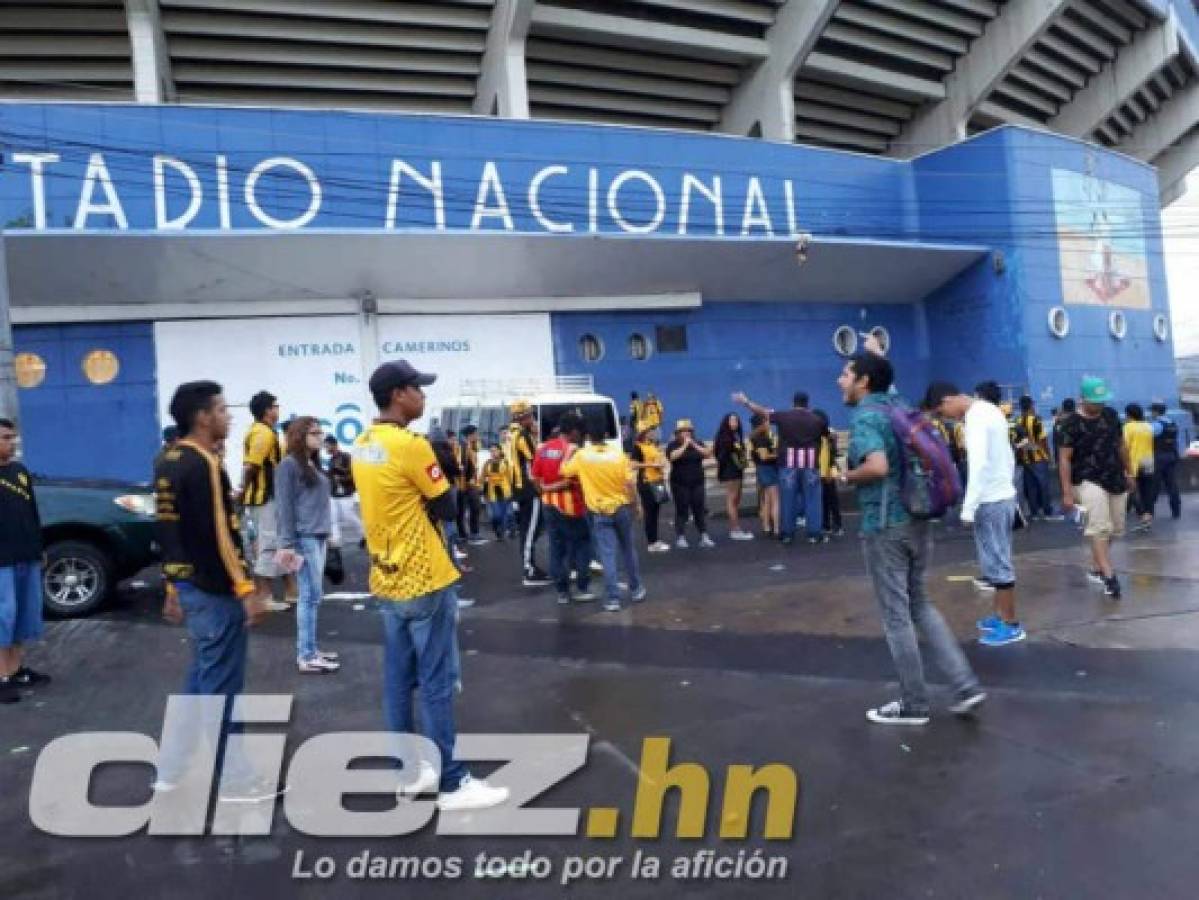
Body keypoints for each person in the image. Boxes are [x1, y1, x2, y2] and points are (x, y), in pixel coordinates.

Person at [352, 360, 509, 811]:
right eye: (417, 389)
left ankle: (411, 771)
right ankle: (452, 782)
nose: (423, 396)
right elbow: (446, 505)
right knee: (437, 681)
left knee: (399, 682)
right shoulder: (411, 445)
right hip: (425, 575)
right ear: (399, 395)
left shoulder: (364, 444)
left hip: (387, 578)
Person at [836, 354, 985, 725]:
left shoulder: (867, 417)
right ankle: (965, 685)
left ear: (864, 381)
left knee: (896, 615)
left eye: (846, 374)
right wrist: (877, 353)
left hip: (885, 525)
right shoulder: (898, 406)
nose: (840, 380)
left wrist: (845, 476)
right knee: (920, 604)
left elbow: (877, 466)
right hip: (918, 518)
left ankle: (913, 702)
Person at [153, 381, 281, 801]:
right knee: (221, 689)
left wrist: (172, 586)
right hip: (214, 589)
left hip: (190, 585)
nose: (229, 416)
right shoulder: (202, 462)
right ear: (202, 417)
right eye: (223, 409)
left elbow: (170, 530)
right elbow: (220, 534)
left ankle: (170, 769)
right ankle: (235, 780)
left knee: (201, 680)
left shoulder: (167, 458)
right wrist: (246, 588)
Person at [926, 382, 1025, 646]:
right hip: (999, 494)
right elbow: (1007, 456)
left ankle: (1011, 624)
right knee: (994, 561)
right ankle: (1000, 615)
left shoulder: (976, 419)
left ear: (948, 400)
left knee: (998, 562)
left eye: (942, 412)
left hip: (991, 499)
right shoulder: (989, 411)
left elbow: (978, 465)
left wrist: (968, 508)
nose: (947, 418)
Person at [1057, 376, 1135, 600]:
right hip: (1087, 479)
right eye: (1095, 402)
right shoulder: (1069, 424)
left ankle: (1097, 564)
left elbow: (1121, 445)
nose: (1099, 405)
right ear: (1082, 400)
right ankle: (1109, 576)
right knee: (1099, 526)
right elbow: (1064, 459)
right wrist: (1066, 491)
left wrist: (1129, 472)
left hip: (1115, 476)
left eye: (1102, 401)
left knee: (1115, 528)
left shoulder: (1110, 416)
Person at [275, 417, 340, 674]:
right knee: (309, 597)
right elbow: (284, 506)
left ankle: (311, 649)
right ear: (300, 435)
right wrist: (287, 543)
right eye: (314, 433)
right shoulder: (288, 466)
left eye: (321, 432)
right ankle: (307, 654)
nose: (320, 436)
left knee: (312, 596)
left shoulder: (313, 463)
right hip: (304, 538)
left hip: (316, 536)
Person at [562, 426, 646, 612]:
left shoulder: (582, 456)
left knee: (608, 555)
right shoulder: (618, 455)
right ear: (606, 435)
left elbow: (564, 471)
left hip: (599, 510)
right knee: (628, 549)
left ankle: (613, 598)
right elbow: (630, 483)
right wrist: (637, 505)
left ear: (589, 436)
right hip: (621, 507)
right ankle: (636, 589)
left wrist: (569, 452)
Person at [733, 390, 824, 545]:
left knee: (787, 499)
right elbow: (824, 437)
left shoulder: (784, 416)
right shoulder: (817, 419)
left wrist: (746, 401)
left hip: (788, 464)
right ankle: (814, 534)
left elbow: (762, 412)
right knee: (812, 499)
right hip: (810, 463)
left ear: (793, 403)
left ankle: (787, 534)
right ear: (808, 404)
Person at [0, 418, 48, 704]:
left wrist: (38, 547)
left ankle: (16, 669)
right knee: (2, 617)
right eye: (5, 438)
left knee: (22, 616)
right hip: (1, 561)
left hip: (26, 556)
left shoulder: (19, 472)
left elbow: (31, 511)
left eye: (12, 437)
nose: (11, 442)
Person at [531, 412, 595, 605]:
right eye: (580, 431)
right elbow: (571, 479)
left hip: (548, 505)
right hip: (571, 506)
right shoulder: (574, 451)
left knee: (556, 547)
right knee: (582, 545)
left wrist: (544, 491)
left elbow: (534, 477)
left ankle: (562, 592)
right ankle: (582, 587)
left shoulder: (543, 448)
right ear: (574, 431)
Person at [238, 390, 292, 612]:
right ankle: (264, 596)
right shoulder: (263, 434)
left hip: (268, 497)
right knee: (268, 544)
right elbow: (252, 465)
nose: (278, 410)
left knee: (276, 542)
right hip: (265, 497)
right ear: (267, 410)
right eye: (275, 406)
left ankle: (288, 590)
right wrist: (242, 491)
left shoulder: (265, 431)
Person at [506, 402, 550, 586]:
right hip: (527, 489)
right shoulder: (522, 435)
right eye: (530, 416)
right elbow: (534, 462)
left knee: (529, 529)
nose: (533, 419)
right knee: (530, 530)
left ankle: (530, 566)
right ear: (522, 417)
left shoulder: (510, 433)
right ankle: (529, 571)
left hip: (518, 488)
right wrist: (540, 487)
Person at [665, 419, 714, 549]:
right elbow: (672, 457)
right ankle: (681, 536)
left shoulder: (697, 442)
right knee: (682, 510)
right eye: (683, 431)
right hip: (679, 483)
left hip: (697, 481)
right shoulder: (673, 444)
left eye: (688, 431)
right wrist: (685, 445)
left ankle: (704, 535)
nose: (686, 433)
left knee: (699, 508)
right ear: (678, 433)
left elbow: (708, 454)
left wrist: (693, 445)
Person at [714, 413, 753, 541]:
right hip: (730, 470)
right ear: (726, 422)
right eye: (732, 420)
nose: (734, 422)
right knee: (732, 499)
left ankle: (735, 527)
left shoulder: (737, 436)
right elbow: (720, 455)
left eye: (736, 420)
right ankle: (735, 529)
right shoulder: (725, 437)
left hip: (737, 469)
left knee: (736, 499)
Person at [631, 427, 671, 552]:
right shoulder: (638, 447)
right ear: (645, 433)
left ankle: (656, 540)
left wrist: (660, 465)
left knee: (656, 511)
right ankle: (652, 542)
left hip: (657, 480)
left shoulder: (653, 445)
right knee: (649, 513)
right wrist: (652, 465)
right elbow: (633, 464)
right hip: (646, 482)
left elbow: (658, 459)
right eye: (651, 431)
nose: (654, 433)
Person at [1015, 396, 1055, 520]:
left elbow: (1018, 443)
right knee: (1043, 485)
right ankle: (1047, 510)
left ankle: (1034, 512)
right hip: (1039, 458)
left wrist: (1025, 451)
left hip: (1025, 459)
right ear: (1031, 405)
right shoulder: (1036, 421)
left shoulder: (1017, 421)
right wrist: (1048, 456)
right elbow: (1043, 441)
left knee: (1031, 487)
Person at [323, 434, 362, 549]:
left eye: (327, 446)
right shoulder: (331, 460)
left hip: (345, 493)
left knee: (349, 516)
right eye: (325, 447)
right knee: (333, 518)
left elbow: (354, 475)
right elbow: (331, 476)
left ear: (334, 445)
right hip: (333, 493)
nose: (326, 449)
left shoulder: (346, 457)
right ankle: (336, 539)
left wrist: (341, 478)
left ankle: (364, 534)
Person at [1123, 403, 1155, 533]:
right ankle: (1148, 515)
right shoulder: (1148, 426)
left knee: (1133, 490)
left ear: (1129, 414)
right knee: (1147, 490)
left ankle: (1142, 515)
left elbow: (1124, 446)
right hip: (1148, 460)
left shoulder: (1128, 427)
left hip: (1134, 461)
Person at [1149, 401, 1181, 520]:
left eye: (1152, 411)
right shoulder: (1172, 423)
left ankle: (1149, 511)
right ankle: (1176, 510)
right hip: (1171, 456)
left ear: (1156, 412)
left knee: (1154, 485)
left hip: (1158, 457)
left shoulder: (1156, 425)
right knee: (1172, 484)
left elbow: (1147, 438)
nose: (1151, 413)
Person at [749, 413, 779, 538]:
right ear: (760, 424)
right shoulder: (760, 438)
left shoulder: (755, 436)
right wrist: (780, 454)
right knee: (775, 499)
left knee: (767, 499)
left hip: (762, 469)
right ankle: (777, 528)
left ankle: (766, 526)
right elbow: (764, 456)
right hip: (767, 469)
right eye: (766, 422)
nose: (768, 424)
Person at [814, 410, 842, 539]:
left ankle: (836, 524)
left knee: (831, 498)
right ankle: (827, 524)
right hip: (822, 468)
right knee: (825, 499)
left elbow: (832, 453)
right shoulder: (819, 435)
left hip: (828, 469)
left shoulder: (829, 434)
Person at [457, 427, 487, 546]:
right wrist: (468, 480)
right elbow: (462, 465)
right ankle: (465, 535)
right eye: (476, 434)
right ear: (470, 435)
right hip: (465, 483)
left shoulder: (471, 445)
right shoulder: (463, 446)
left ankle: (472, 534)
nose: (477, 436)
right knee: (466, 509)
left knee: (473, 508)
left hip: (471, 482)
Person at [481, 445, 514, 541]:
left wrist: (512, 490)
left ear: (500, 451)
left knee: (504, 515)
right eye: (491, 451)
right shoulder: (487, 463)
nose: (493, 453)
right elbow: (482, 476)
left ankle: (501, 534)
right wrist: (480, 486)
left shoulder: (506, 462)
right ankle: (496, 528)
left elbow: (510, 477)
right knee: (496, 515)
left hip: (505, 492)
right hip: (493, 492)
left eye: (495, 451)